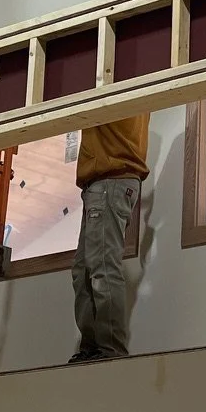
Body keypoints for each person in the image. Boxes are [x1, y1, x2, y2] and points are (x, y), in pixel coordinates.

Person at [70, 109, 150, 361]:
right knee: (84, 271)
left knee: (102, 266)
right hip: (104, 183)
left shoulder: (119, 79)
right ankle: (93, 347)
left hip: (110, 180)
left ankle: (110, 349)